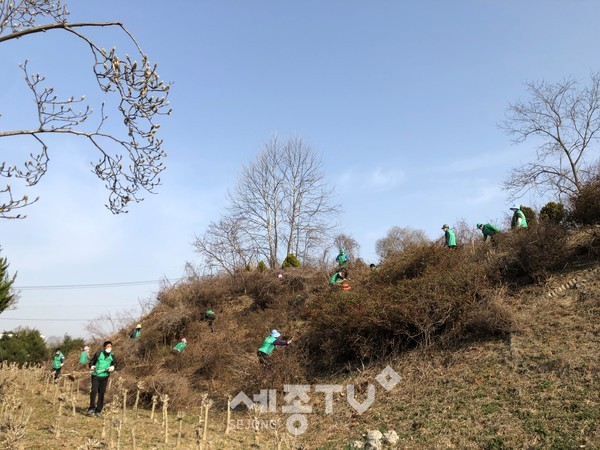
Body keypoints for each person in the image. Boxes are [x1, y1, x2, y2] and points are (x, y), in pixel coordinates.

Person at [87, 341, 117, 417]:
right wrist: (92, 366)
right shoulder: (98, 353)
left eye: (110, 347)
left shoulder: (112, 355)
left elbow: (115, 364)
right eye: (107, 347)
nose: (109, 348)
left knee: (101, 393)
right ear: (104, 347)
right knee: (94, 391)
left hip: (104, 377)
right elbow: (91, 362)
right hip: (96, 375)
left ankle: (98, 410)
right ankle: (91, 408)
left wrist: (112, 367)